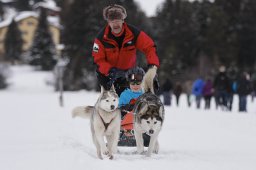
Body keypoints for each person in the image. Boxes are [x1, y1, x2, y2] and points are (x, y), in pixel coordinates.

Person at [92, 4, 160, 96]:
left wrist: (153, 67)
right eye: (112, 21)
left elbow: (149, 47)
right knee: (112, 102)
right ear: (108, 22)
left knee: (133, 97)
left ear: (123, 20)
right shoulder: (100, 39)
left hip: (129, 73)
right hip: (108, 74)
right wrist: (110, 71)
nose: (115, 24)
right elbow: (98, 59)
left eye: (118, 21)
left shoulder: (134, 33)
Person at [117, 67, 150, 147]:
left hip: (141, 122)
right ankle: (124, 135)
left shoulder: (145, 94)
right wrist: (126, 107)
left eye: (138, 84)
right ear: (129, 83)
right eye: (132, 84)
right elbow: (119, 111)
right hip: (127, 122)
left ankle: (144, 137)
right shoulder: (125, 95)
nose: (135, 86)